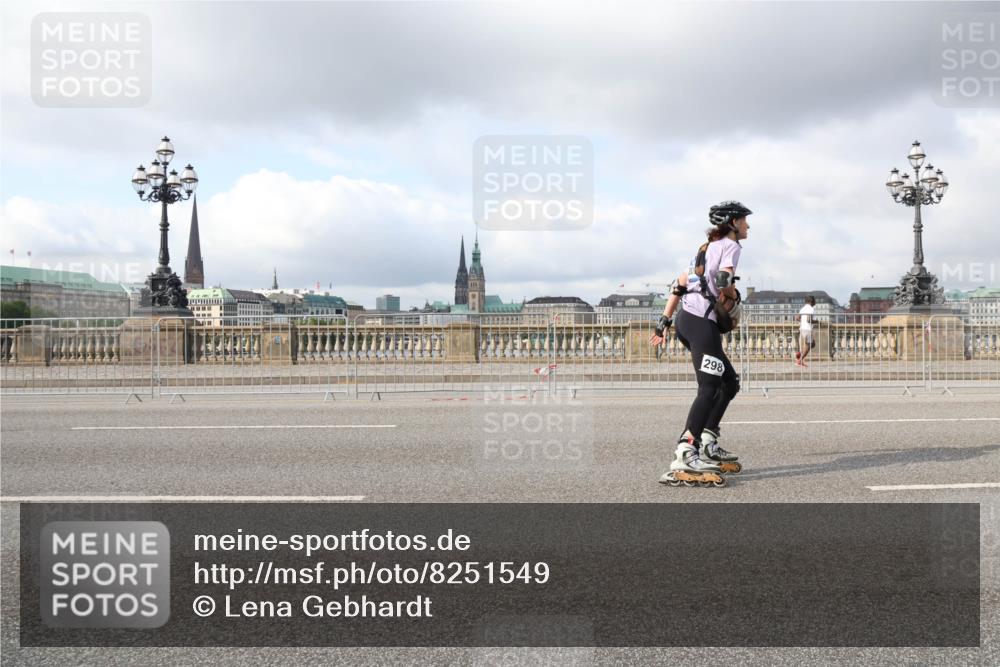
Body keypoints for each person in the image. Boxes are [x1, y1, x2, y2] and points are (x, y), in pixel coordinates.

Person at [650, 201, 750, 487]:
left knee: (729, 382)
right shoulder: (731, 246)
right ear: (732, 223)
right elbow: (722, 279)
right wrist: (731, 295)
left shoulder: (705, 249)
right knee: (709, 386)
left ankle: (707, 441)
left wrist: (664, 321)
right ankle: (686, 450)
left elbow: (679, 283)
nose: (747, 226)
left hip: (686, 321)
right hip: (700, 323)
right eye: (744, 221)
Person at [796, 295, 816, 367]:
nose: (815, 302)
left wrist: (802, 322)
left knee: (812, 344)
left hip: (802, 328)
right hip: (807, 329)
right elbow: (809, 320)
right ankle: (800, 360)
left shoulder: (803, 308)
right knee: (809, 345)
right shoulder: (811, 309)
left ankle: (799, 356)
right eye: (814, 301)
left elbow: (797, 318)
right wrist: (817, 322)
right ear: (811, 301)